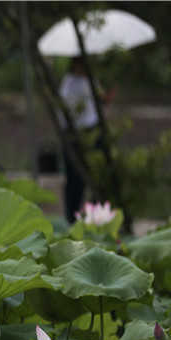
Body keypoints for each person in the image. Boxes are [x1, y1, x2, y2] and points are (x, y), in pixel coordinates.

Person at [58, 57, 117, 222]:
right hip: (76, 133)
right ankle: (72, 217)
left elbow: (100, 102)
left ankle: (95, 215)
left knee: (98, 175)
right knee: (75, 178)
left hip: (93, 130)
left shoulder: (92, 80)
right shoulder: (68, 84)